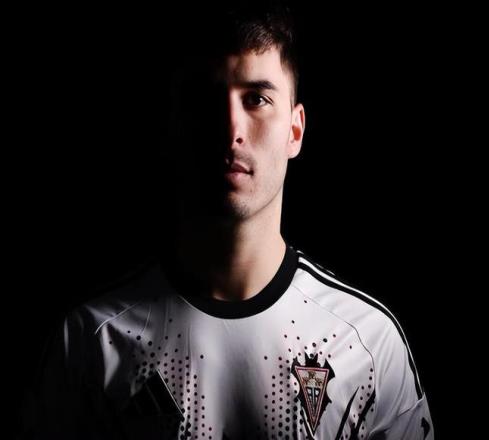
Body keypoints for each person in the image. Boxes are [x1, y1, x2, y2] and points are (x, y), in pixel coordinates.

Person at [24, 1, 434, 439]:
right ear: (174, 125)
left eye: (257, 99)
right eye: (205, 99)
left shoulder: (366, 342)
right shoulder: (93, 340)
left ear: (295, 131)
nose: (231, 129)